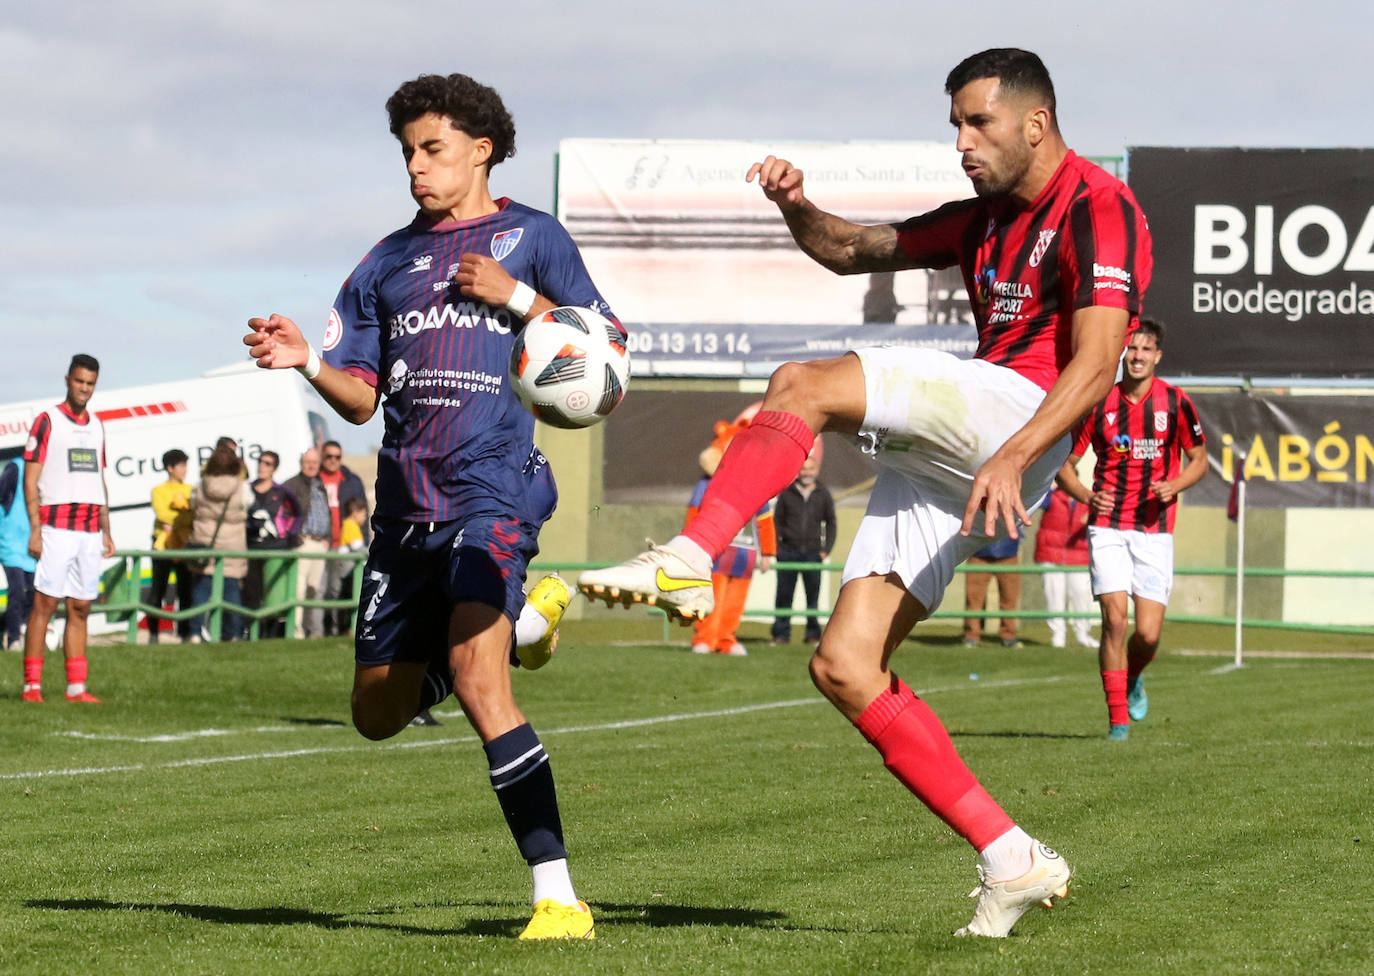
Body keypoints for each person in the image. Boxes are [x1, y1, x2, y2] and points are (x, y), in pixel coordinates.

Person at [580, 48, 1152, 937]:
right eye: (955, 124)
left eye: (979, 122)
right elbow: (850, 250)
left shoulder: (1099, 207)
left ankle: (691, 557)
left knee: (800, 385)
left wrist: (1016, 454)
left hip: (1023, 412)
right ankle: (1014, 859)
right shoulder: (979, 219)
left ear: (1035, 123)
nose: (962, 141)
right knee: (845, 666)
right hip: (971, 441)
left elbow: (1099, 359)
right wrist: (796, 206)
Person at [242, 72, 615, 940]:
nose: (415, 166)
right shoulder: (383, 263)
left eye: (432, 148)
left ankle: (558, 897)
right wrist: (305, 360)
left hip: (495, 491)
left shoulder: (534, 238)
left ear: (482, 149)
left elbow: (608, 345)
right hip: (406, 506)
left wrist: (520, 300)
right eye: (407, 151)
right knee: (377, 713)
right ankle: (530, 623)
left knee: (483, 687)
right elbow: (361, 401)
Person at [1056, 318, 1206, 740]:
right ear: (1124, 353)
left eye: (1145, 350)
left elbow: (1199, 460)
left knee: (1148, 632)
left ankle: (1134, 676)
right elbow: (1063, 467)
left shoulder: (1175, 402)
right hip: (1107, 527)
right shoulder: (1100, 402)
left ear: (1157, 356)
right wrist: (1086, 496)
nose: (1137, 356)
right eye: (1132, 349)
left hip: (1153, 530)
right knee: (1115, 623)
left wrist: (1174, 485)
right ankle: (1117, 721)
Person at [21, 353, 116, 703]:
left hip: (90, 531)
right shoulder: (47, 421)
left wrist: (106, 529)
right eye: (79, 381)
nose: (84, 389)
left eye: (90, 383)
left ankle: (76, 687)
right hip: (55, 527)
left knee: (81, 608)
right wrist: (35, 528)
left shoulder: (97, 425)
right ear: (67, 379)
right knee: (45, 605)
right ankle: (32, 686)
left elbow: (98, 479)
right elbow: (30, 481)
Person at [188, 442, 253, 642]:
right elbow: (249, 505)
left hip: (205, 543)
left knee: (201, 589)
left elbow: (192, 505)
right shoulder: (242, 488)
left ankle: (195, 632)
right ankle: (232, 632)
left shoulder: (200, 486)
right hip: (232, 545)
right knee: (232, 589)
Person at [770, 454, 836, 646]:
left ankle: (813, 634)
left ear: (816, 471)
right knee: (784, 595)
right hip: (788, 553)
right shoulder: (787, 493)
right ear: (797, 471)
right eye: (803, 469)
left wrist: (826, 549)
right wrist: (778, 548)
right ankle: (781, 635)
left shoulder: (823, 493)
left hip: (813, 554)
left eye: (810, 469)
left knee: (812, 597)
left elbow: (831, 523)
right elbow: (777, 522)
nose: (806, 473)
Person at [245, 450, 300, 638]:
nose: (262, 466)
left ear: (274, 468)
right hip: (251, 549)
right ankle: (252, 633)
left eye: (267, 463)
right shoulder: (247, 489)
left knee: (273, 594)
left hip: (276, 548)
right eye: (260, 462)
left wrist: (291, 533)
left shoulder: (282, 492)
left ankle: (272, 635)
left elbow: (298, 514)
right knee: (252, 593)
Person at [1034, 487, 1095, 649]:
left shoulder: (1088, 499)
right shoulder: (1052, 497)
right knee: (1054, 596)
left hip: (1079, 556)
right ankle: (1058, 635)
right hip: (1051, 555)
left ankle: (1083, 634)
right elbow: (1036, 497)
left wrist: (1093, 516)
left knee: (1082, 595)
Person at [283, 447, 331, 638]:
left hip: (320, 544)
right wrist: (295, 537)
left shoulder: (320, 485)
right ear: (301, 463)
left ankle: (311, 629)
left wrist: (327, 539)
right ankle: (296, 631)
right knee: (299, 589)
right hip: (303, 542)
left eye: (314, 462)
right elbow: (284, 515)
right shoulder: (291, 485)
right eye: (307, 462)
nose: (311, 466)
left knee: (314, 589)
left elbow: (326, 513)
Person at [149, 448, 196, 643]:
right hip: (163, 545)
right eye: (182, 465)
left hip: (185, 545)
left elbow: (193, 515)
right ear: (170, 468)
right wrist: (182, 516)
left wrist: (177, 519)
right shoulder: (158, 491)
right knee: (157, 591)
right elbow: (162, 514)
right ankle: (153, 633)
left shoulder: (191, 490)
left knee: (186, 590)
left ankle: (185, 632)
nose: (185, 469)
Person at [0, 458, 37, 651]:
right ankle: (14, 639)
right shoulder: (16, 467)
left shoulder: (48, 469)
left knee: (33, 594)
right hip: (10, 542)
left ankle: (9, 628)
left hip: (32, 544)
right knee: (17, 591)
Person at [961, 537, 1023, 648]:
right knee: (974, 599)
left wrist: (1017, 539)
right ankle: (971, 636)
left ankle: (1009, 635)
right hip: (979, 553)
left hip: (1008, 552)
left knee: (1009, 598)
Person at [323, 495, 367, 639]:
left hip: (345, 568)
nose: (365, 518)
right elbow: (358, 547)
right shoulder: (350, 524)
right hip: (345, 569)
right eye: (363, 514)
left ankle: (344, 628)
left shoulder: (350, 525)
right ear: (355, 513)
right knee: (346, 597)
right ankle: (344, 629)